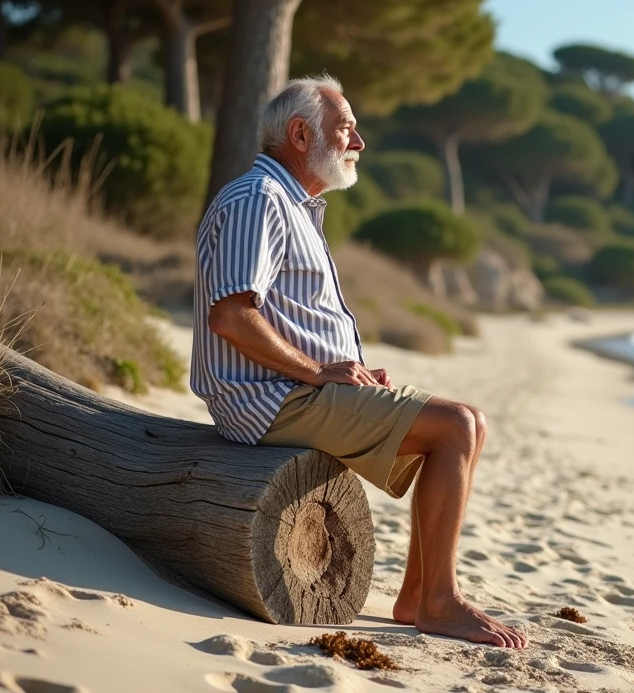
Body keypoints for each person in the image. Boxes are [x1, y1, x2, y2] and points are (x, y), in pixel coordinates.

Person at [190, 74, 526, 649]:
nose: (359, 143)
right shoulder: (259, 199)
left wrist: (347, 371)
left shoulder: (291, 204)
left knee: (468, 425)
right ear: (300, 134)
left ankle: (420, 596)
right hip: (270, 399)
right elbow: (231, 317)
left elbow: (281, 315)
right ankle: (439, 603)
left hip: (294, 390)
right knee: (456, 426)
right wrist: (320, 372)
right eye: (345, 128)